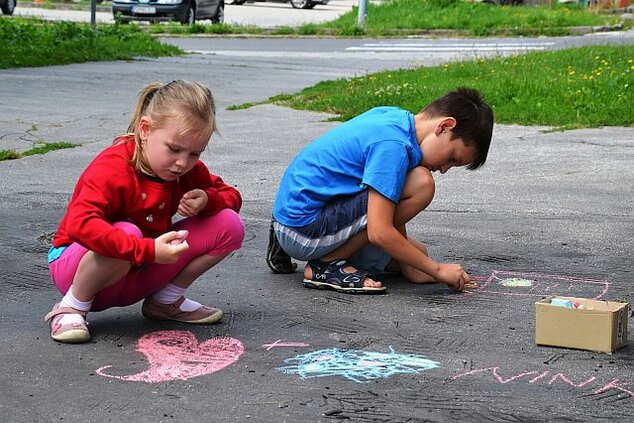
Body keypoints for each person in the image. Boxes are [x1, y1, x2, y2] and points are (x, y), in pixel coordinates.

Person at [45, 80, 244, 343]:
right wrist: (148, 250)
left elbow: (233, 196)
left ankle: (165, 302)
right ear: (145, 129)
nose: (182, 163)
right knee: (127, 230)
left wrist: (208, 200)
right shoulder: (114, 166)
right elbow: (80, 224)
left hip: (136, 270)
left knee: (229, 224)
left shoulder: (186, 171)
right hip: (78, 271)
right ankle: (71, 307)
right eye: (174, 149)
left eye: (195, 153)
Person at [266, 87, 493, 294]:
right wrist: (437, 270)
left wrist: (412, 265)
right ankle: (326, 264)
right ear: (444, 126)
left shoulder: (395, 119)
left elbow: (389, 201)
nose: (444, 169)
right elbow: (379, 231)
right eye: (452, 158)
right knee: (421, 184)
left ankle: (296, 244)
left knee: (416, 252)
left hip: (293, 214)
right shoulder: (393, 146)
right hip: (304, 229)